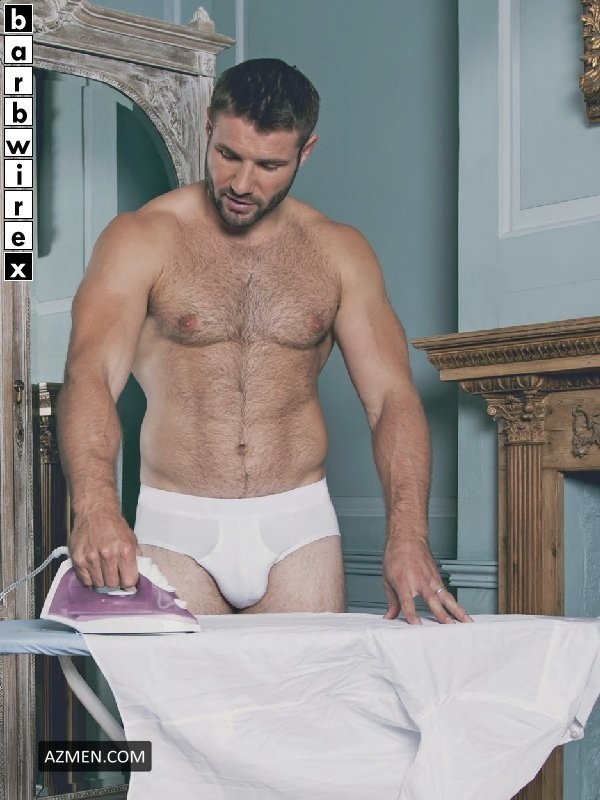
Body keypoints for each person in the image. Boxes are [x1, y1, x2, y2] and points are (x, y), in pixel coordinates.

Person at [57, 58, 471, 625]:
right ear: (209, 126)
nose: (242, 184)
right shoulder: (142, 238)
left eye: (269, 165)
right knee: (186, 687)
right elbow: (90, 376)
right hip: (178, 526)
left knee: (309, 686)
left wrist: (409, 536)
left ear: (306, 151)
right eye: (228, 155)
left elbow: (391, 399)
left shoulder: (339, 251)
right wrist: (95, 506)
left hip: (297, 528)